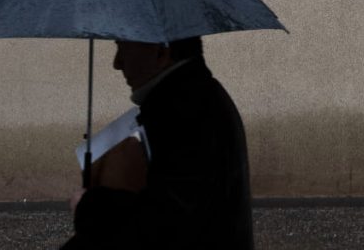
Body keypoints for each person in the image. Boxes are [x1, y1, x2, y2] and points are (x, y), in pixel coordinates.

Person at [62, 37, 254, 250]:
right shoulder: (193, 97)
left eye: (122, 47)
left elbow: (163, 223)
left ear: (161, 51)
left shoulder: (183, 112)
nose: (117, 63)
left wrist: (90, 206)